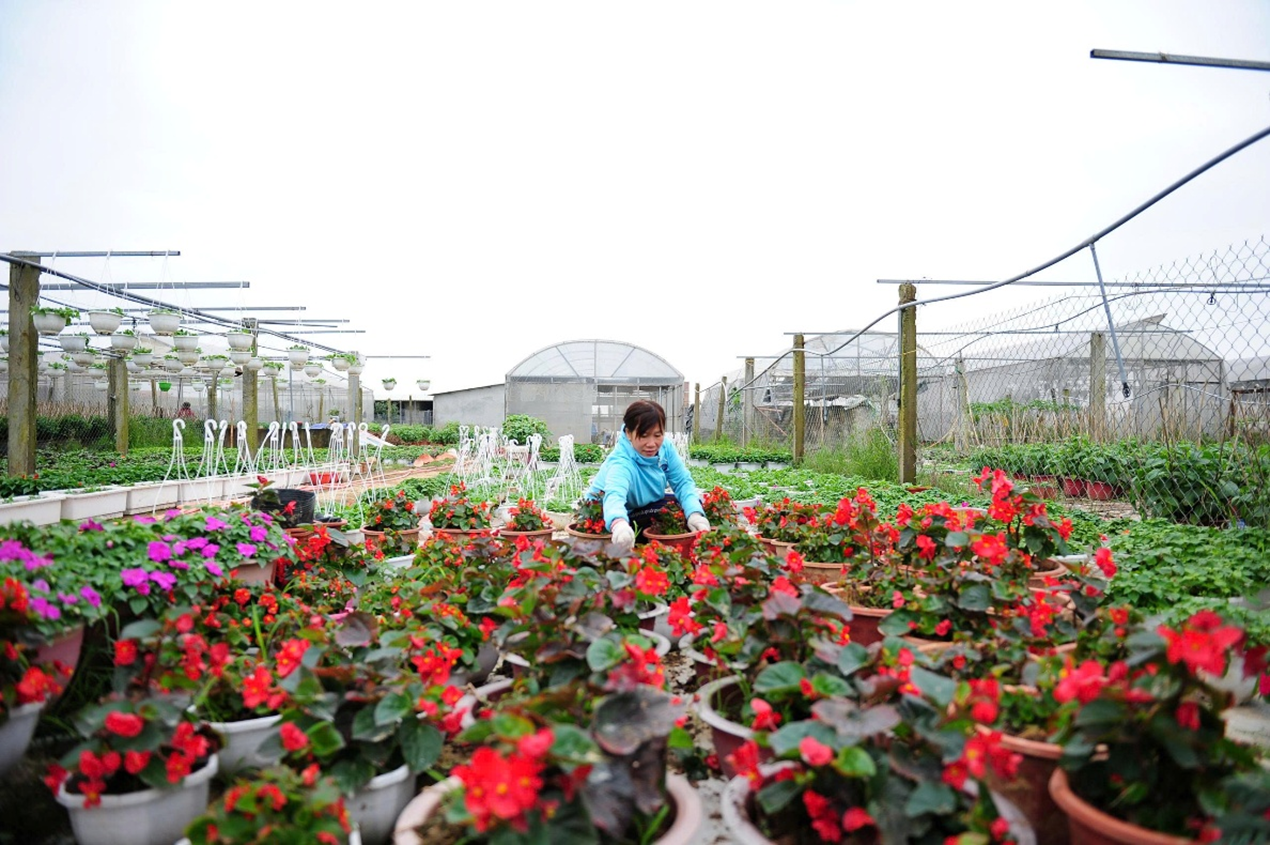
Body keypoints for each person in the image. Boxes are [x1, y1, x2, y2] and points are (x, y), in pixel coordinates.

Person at [584, 399, 710, 553]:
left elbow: (682, 482)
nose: (652, 443)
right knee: (663, 512)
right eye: (644, 435)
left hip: (641, 507)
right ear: (628, 433)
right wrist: (619, 525)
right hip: (607, 515)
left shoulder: (665, 448)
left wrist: (695, 514)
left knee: (687, 504)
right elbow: (614, 496)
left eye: (657, 435)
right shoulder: (621, 462)